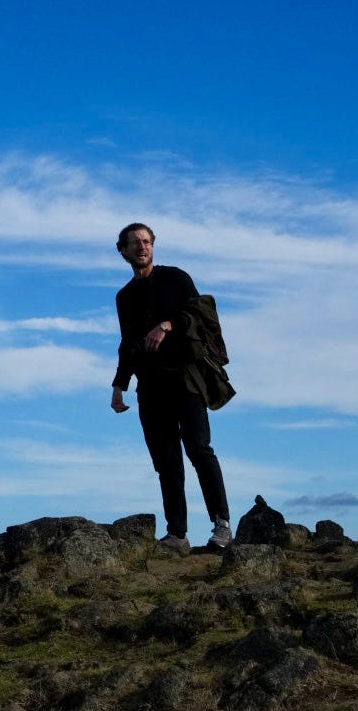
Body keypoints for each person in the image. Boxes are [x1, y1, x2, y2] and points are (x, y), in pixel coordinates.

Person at [110, 222, 232, 551]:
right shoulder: (124, 297)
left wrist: (167, 324)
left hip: (185, 378)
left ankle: (222, 524)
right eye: (135, 243)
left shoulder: (176, 278)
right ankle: (177, 534)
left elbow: (201, 313)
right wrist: (119, 385)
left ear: (153, 245)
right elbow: (128, 343)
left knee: (199, 449)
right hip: (150, 386)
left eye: (146, 241)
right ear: (123, 251)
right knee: (167, 463)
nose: (142, 247)